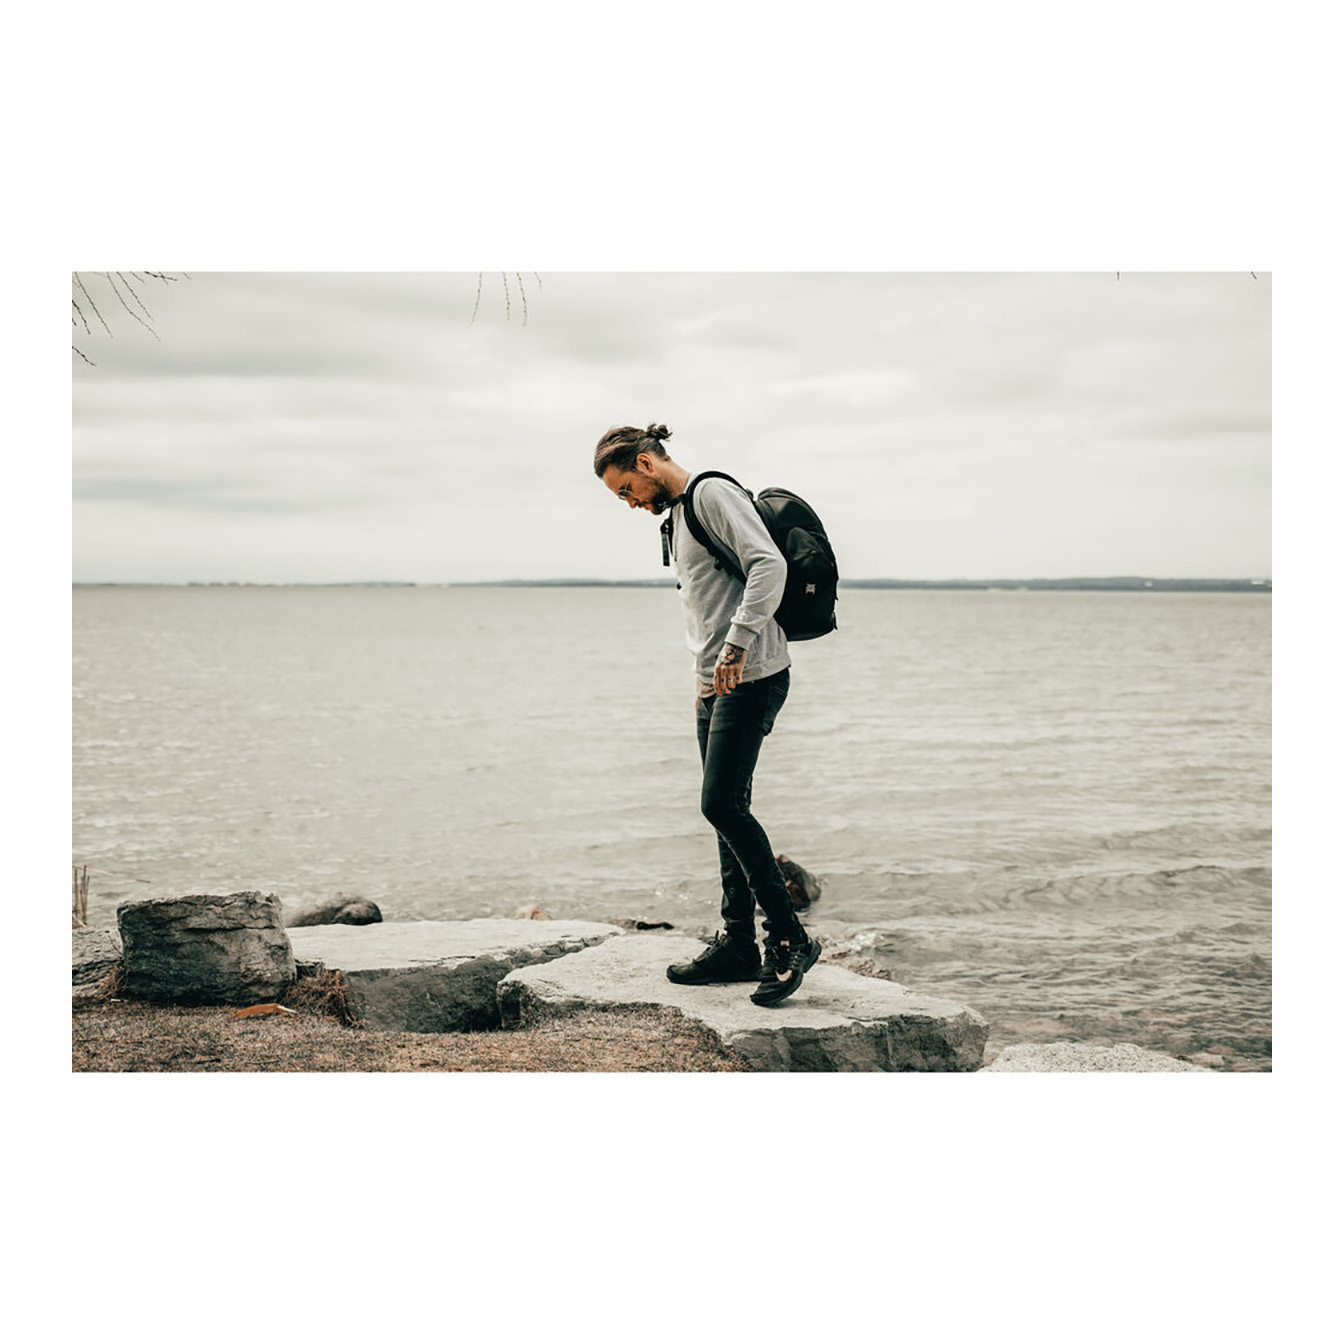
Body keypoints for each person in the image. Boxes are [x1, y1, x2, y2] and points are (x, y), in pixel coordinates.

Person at [594, 422, 821, 1006]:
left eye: (626, 490)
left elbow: (769, 565)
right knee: (725, 812)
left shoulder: (711, 494)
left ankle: (789, 938)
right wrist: (703, 679)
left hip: (753, 673)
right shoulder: (677, 516)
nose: (629, 503)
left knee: (721, 804)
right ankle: (739, 944)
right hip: (715, 683)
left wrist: (738, 645)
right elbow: (707, 605)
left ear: (646, 464)